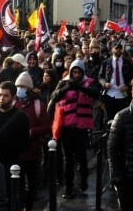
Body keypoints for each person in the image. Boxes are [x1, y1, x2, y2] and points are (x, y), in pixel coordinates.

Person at [48, 59, 100, 198]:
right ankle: (68, 187)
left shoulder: (89, 83)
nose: (76, 75)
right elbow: (54, 96)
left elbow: (96, 94)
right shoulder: (64, 82)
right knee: (68, 159)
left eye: (79, 72)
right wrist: (67, 88)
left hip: (82, 128)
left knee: (81, 157)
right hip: (66, 127)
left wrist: (80, 88)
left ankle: (83, 181)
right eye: (74, 72)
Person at [0, 81, 30, 202]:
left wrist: (8, 141)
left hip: (11, 164)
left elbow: (26, 145)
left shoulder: (21, 117)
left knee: (10, 197)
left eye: (5, 95)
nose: (1, 98)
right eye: (0, 95)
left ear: (13, 97)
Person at [107, 74, 133, 211]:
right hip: (129, 179)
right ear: (132, 93)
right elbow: (111, 149)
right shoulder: (122, 117)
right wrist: (117, 177)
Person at [14, 71, 51, 210]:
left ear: (29, 88)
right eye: (18, 86)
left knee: (31, 183)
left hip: (32, 152)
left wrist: (31, 132)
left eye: (22, 86)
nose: (20, 89)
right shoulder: (13, 103)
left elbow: (47, 126)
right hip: (16, 152)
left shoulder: (38, 105)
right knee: (18, 184)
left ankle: (28, 206)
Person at [99, 42, 133, 122]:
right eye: (116, 48)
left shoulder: (128, 62)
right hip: (109, 93)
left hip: (123, 94)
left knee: (122, 117)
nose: (118, 50)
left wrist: (127, 86)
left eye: (120, 48)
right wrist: (104, 83)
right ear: (112, 49)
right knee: (109, 118)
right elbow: (100, 77)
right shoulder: (106, 62)